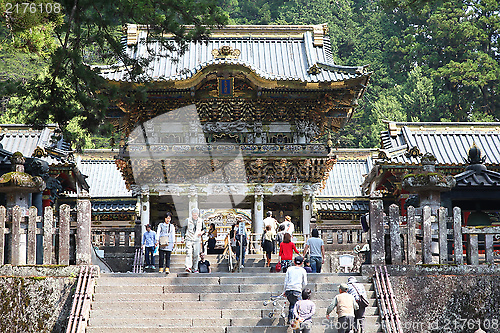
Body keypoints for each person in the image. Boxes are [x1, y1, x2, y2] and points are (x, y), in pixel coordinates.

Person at [282, 256, 307, 325]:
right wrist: (301, 288)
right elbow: (305, 282)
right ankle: (297, 320)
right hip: (297, 289)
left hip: (289, 289)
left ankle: (290, 319)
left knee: (292, 303)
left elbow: (286, 281)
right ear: (302, 263)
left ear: (294, 262)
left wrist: (284, 290)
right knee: (298, 305)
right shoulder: (303, 270)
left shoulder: (289, 269)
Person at [184, 208, 205, 273]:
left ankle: (195, 268)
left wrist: (201, 232)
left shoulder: (201, 221)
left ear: (198, 214)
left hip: (197, 239)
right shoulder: (187, 220)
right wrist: (183, 237)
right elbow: (183, 229)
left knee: (196, 254)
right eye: (193, 215)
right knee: (189, 253)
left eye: (196, 215)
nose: (195, 216)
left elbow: (205, 229)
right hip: (189, 239)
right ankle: (188, 267)